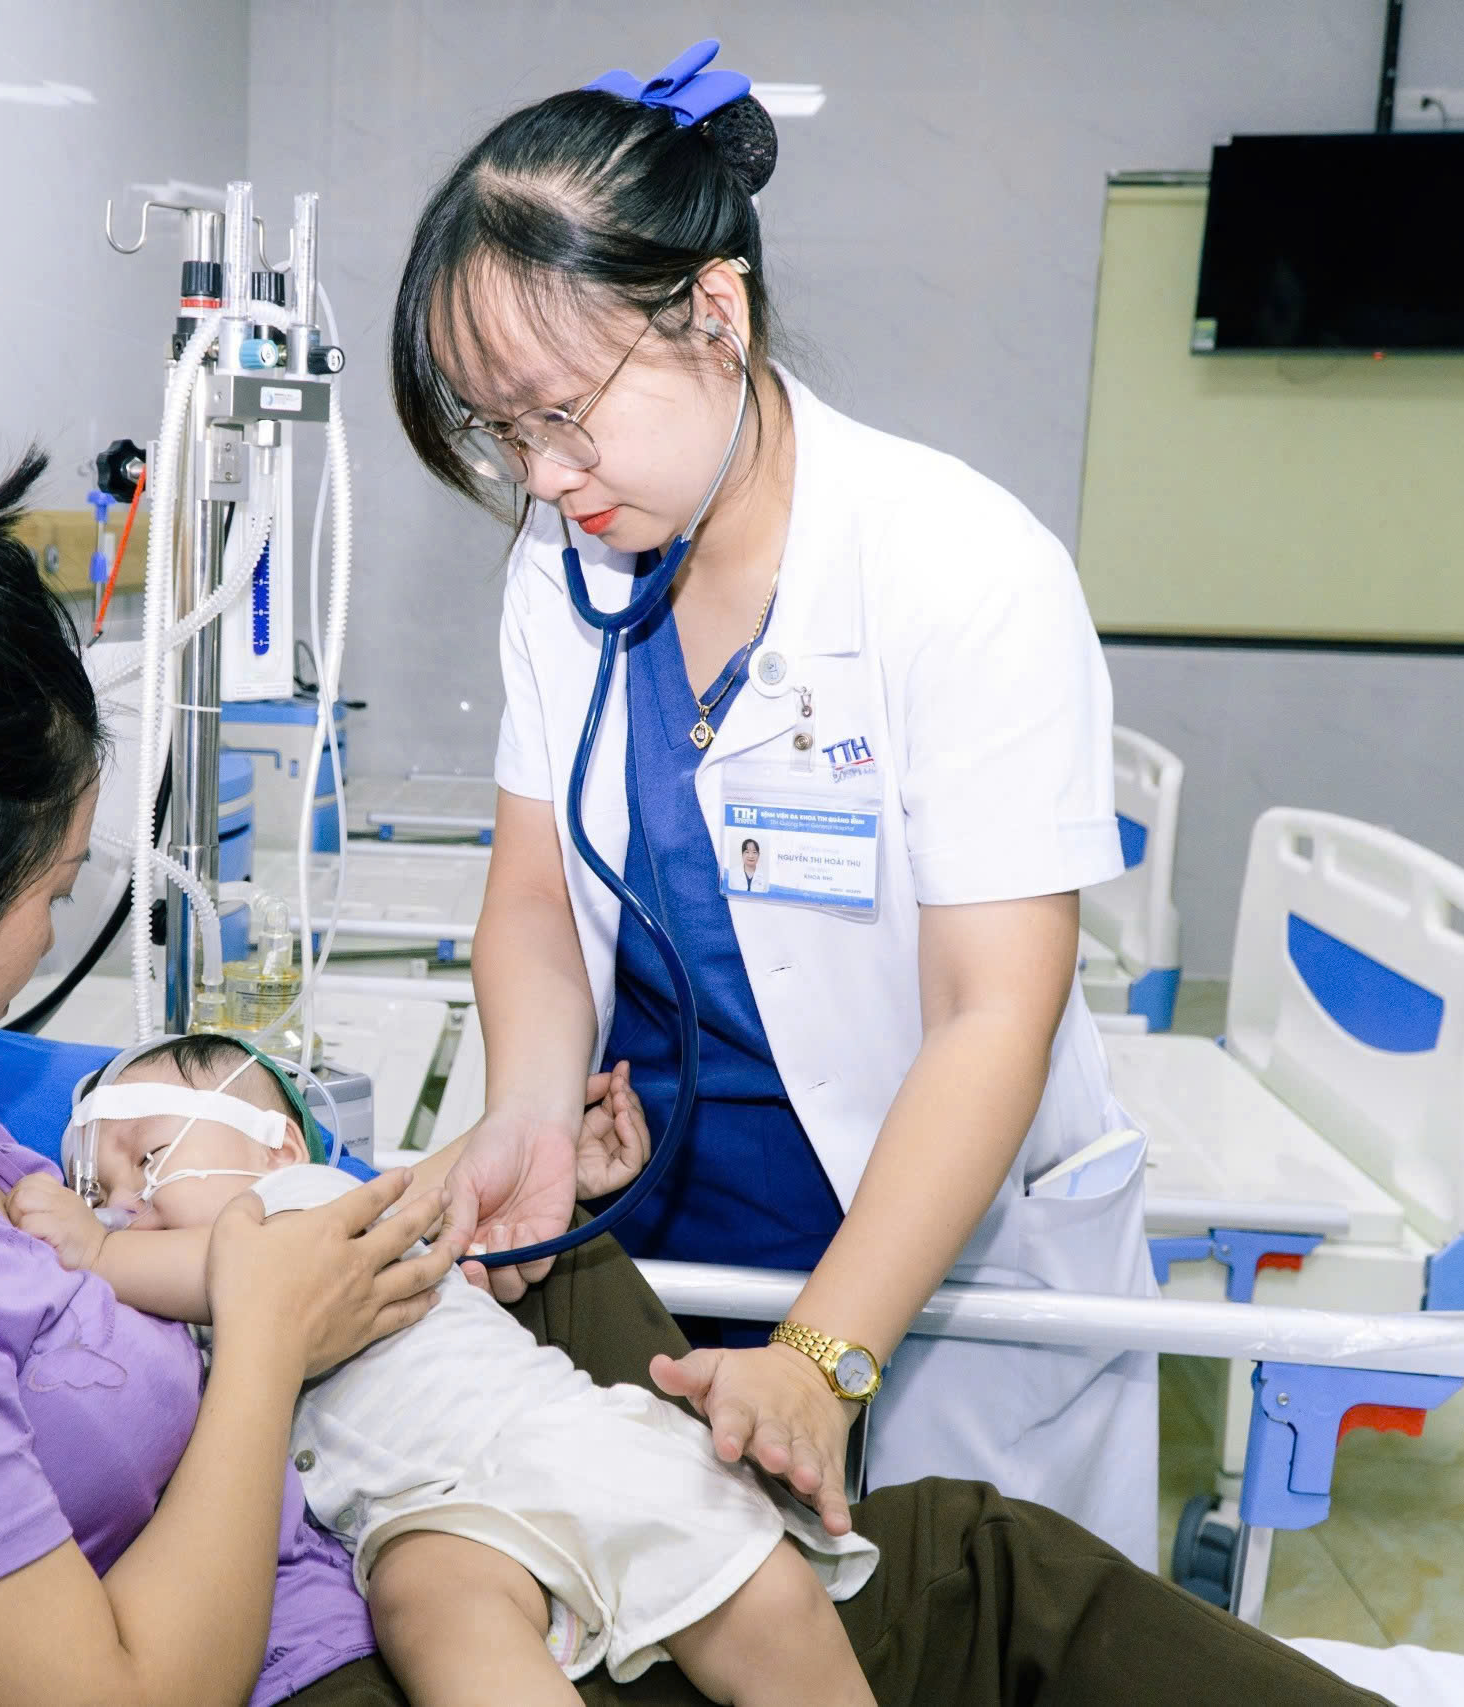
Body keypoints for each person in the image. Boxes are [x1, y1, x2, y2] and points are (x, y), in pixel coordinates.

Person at [0, 434, 1384, 1707]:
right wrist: (269, 1334)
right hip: (340, 1646)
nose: (49, 936)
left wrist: (430, 1225)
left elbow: (129, 1273)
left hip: (356, 1527)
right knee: (988, 1589)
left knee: (953, 1560)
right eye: (45, 891)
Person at [393, 42, 1160, 1562]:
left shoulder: (963, 569)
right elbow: (534, 902)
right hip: (663, 1235)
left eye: (560, 412)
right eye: (500, 433)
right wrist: (530, 1113)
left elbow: (993, 1011)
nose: (539, 476)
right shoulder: (564, 567)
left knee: (943, 1619)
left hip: (923, 1252)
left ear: (716, 314)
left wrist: (824, 1353)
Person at [9, 1032, 876, 1707]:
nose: (125, 1204)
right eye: (99, 1191)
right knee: (425, 1611)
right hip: (427, 1517)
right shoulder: (200, 1324)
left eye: (149, 1158)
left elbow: (234, 1273)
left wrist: (94, 1249)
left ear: (279, 1147)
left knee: (758, 1606)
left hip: (545, 1438)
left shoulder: (303, 1206)